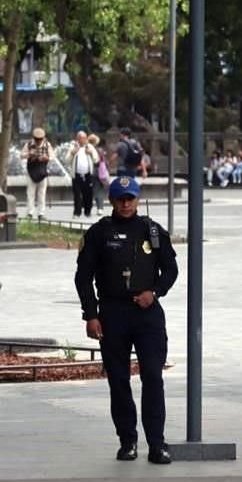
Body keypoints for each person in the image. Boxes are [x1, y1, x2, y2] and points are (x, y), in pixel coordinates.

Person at [74, 176, 179, 465]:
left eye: (130, 198)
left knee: (153, 378)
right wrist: (91, 315)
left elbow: (171, 269)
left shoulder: (153, 231)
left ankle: (157, 444)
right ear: (111, 200)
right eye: (120, 199)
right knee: (119, 380)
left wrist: (155, 292)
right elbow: (83, 277)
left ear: (137, 198)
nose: (125, 203)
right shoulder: (99, 233)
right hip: (112, 313)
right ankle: (127, 440)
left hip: (147, 313)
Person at [64, 131, 100, 218]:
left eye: (84, 138)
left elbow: (96, 160)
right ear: (77, 139)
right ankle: (77, 212)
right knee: (77, 195)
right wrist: (73, 153)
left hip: (88, 175)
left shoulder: (90, 147)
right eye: (80, 138)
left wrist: (90, 153)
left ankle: (88, 212)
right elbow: (66, 161)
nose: (82, 140)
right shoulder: (73, 147)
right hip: (76, 175)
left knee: (88, 194)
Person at [21, 128, 54, 219]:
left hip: (42, 172)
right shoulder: (28, 144)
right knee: (30, 193)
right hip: (31, 171)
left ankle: (41, 213)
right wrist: (30, 155)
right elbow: (21, 155)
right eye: (37, 139)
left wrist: (45, 157)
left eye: (40, 139)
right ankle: (30, 213)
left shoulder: (47, 145)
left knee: (42, 193)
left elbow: (52, 156)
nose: (38, 141)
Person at [90, 134, 109, 216]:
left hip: (89, 172)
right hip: (98, 173)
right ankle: (100, 208)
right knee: (98, 191)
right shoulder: (100, 150)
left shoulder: (86, 150)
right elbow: (105, 162)